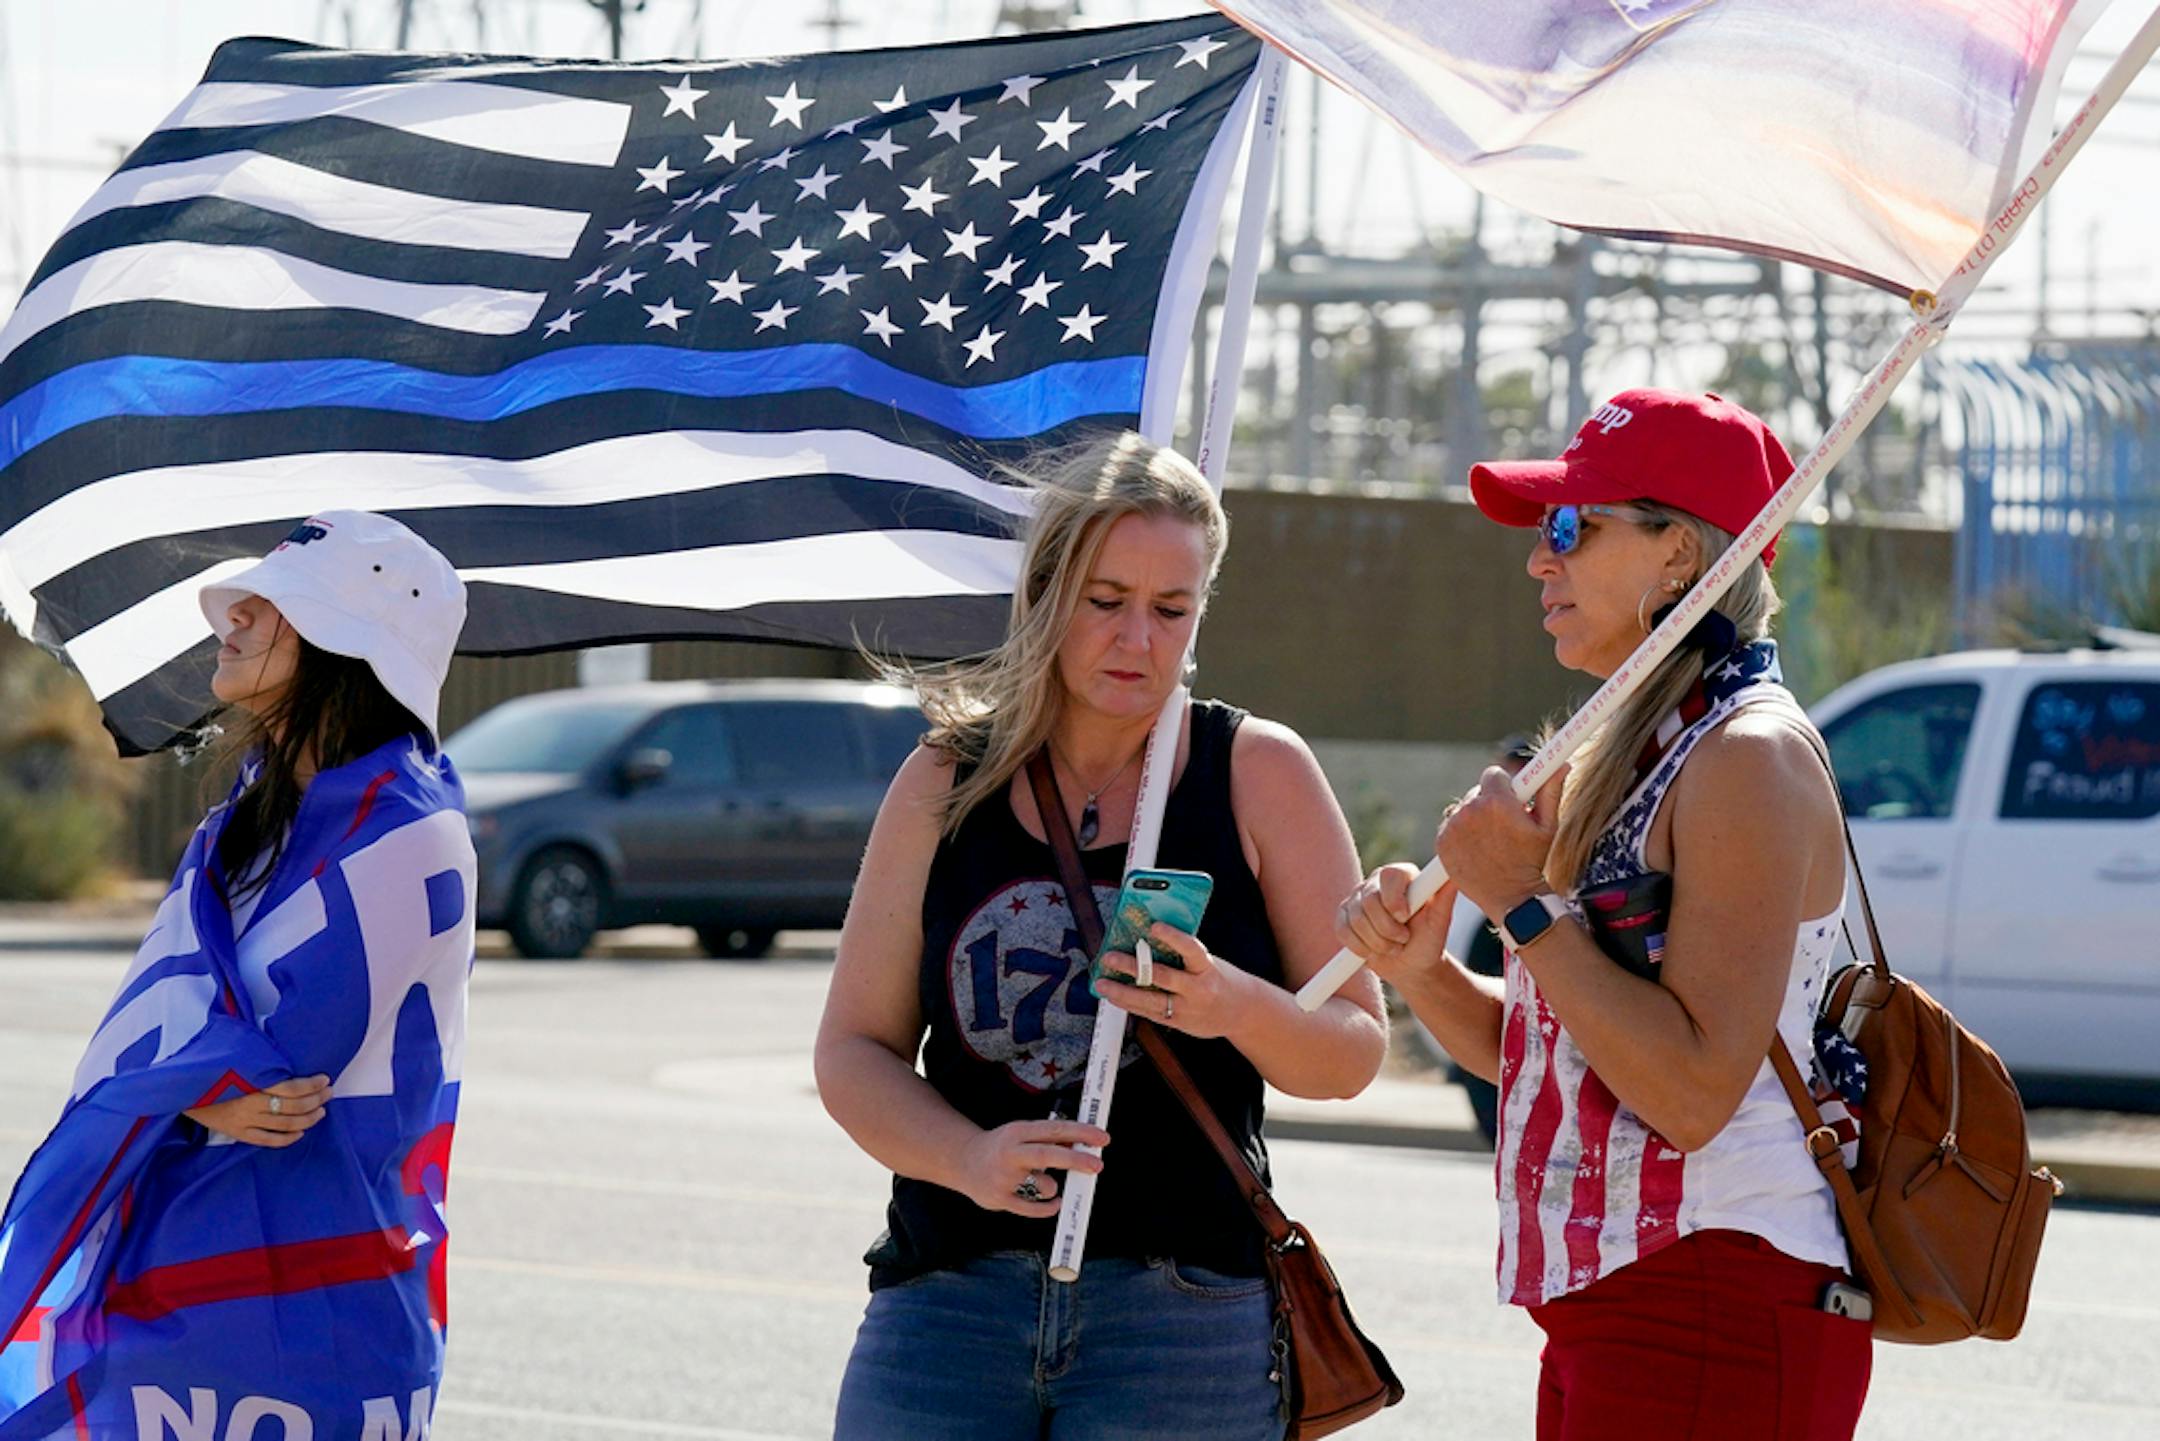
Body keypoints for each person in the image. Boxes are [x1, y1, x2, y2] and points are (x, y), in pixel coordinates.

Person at [817, 432, 1388, 1440]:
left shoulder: (1258, 771)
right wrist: (970, 1155)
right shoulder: (947, 778)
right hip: (949, 1299)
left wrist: (1230, 1003)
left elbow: (1352, 1048)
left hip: (1183, 1318)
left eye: (1172, 610)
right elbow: (853, 1051)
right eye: (1106, 600)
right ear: (1046, 593)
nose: (1139, 641)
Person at [1337, 391, 1873, 1439]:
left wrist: (1522, 901)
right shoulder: (1635, 745)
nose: (1542, 559)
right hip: (1626, 1300)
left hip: (1717, 1287)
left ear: (1682, 552)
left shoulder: (1746, 756)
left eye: (1572, 527)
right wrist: (1420, 972)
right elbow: (1551, 1056)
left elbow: (1691, 1091)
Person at [0, 512, 475, 1439]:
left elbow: (284, 1074)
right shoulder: (240, 826)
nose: (235, 618)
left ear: (351, 649)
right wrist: (194, 1087)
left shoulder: (415, 830)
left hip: (314, 1310)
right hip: (166, 1277)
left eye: (274, 605)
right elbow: (164, 1027)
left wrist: (183, 1085)